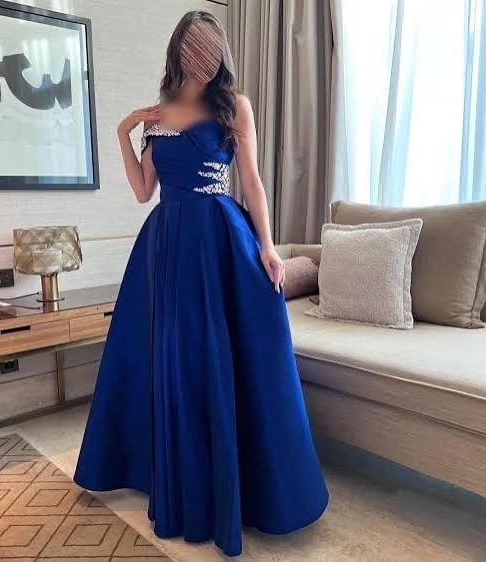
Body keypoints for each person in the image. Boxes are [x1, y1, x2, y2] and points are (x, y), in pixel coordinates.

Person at [74, 10, 329, 558]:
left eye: (211, 49)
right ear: (179, 51)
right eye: (194, 48)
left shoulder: (234, 105)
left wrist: (268, 246)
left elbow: (251, 181)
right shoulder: (159, 114)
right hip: (166, 243)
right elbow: (143, 190)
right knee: (172, 359)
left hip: (218, 238)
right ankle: (178, 480)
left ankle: (239, 487)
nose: (204, 58)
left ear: (220, 54)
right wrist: (122, 132)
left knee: (220, 354)